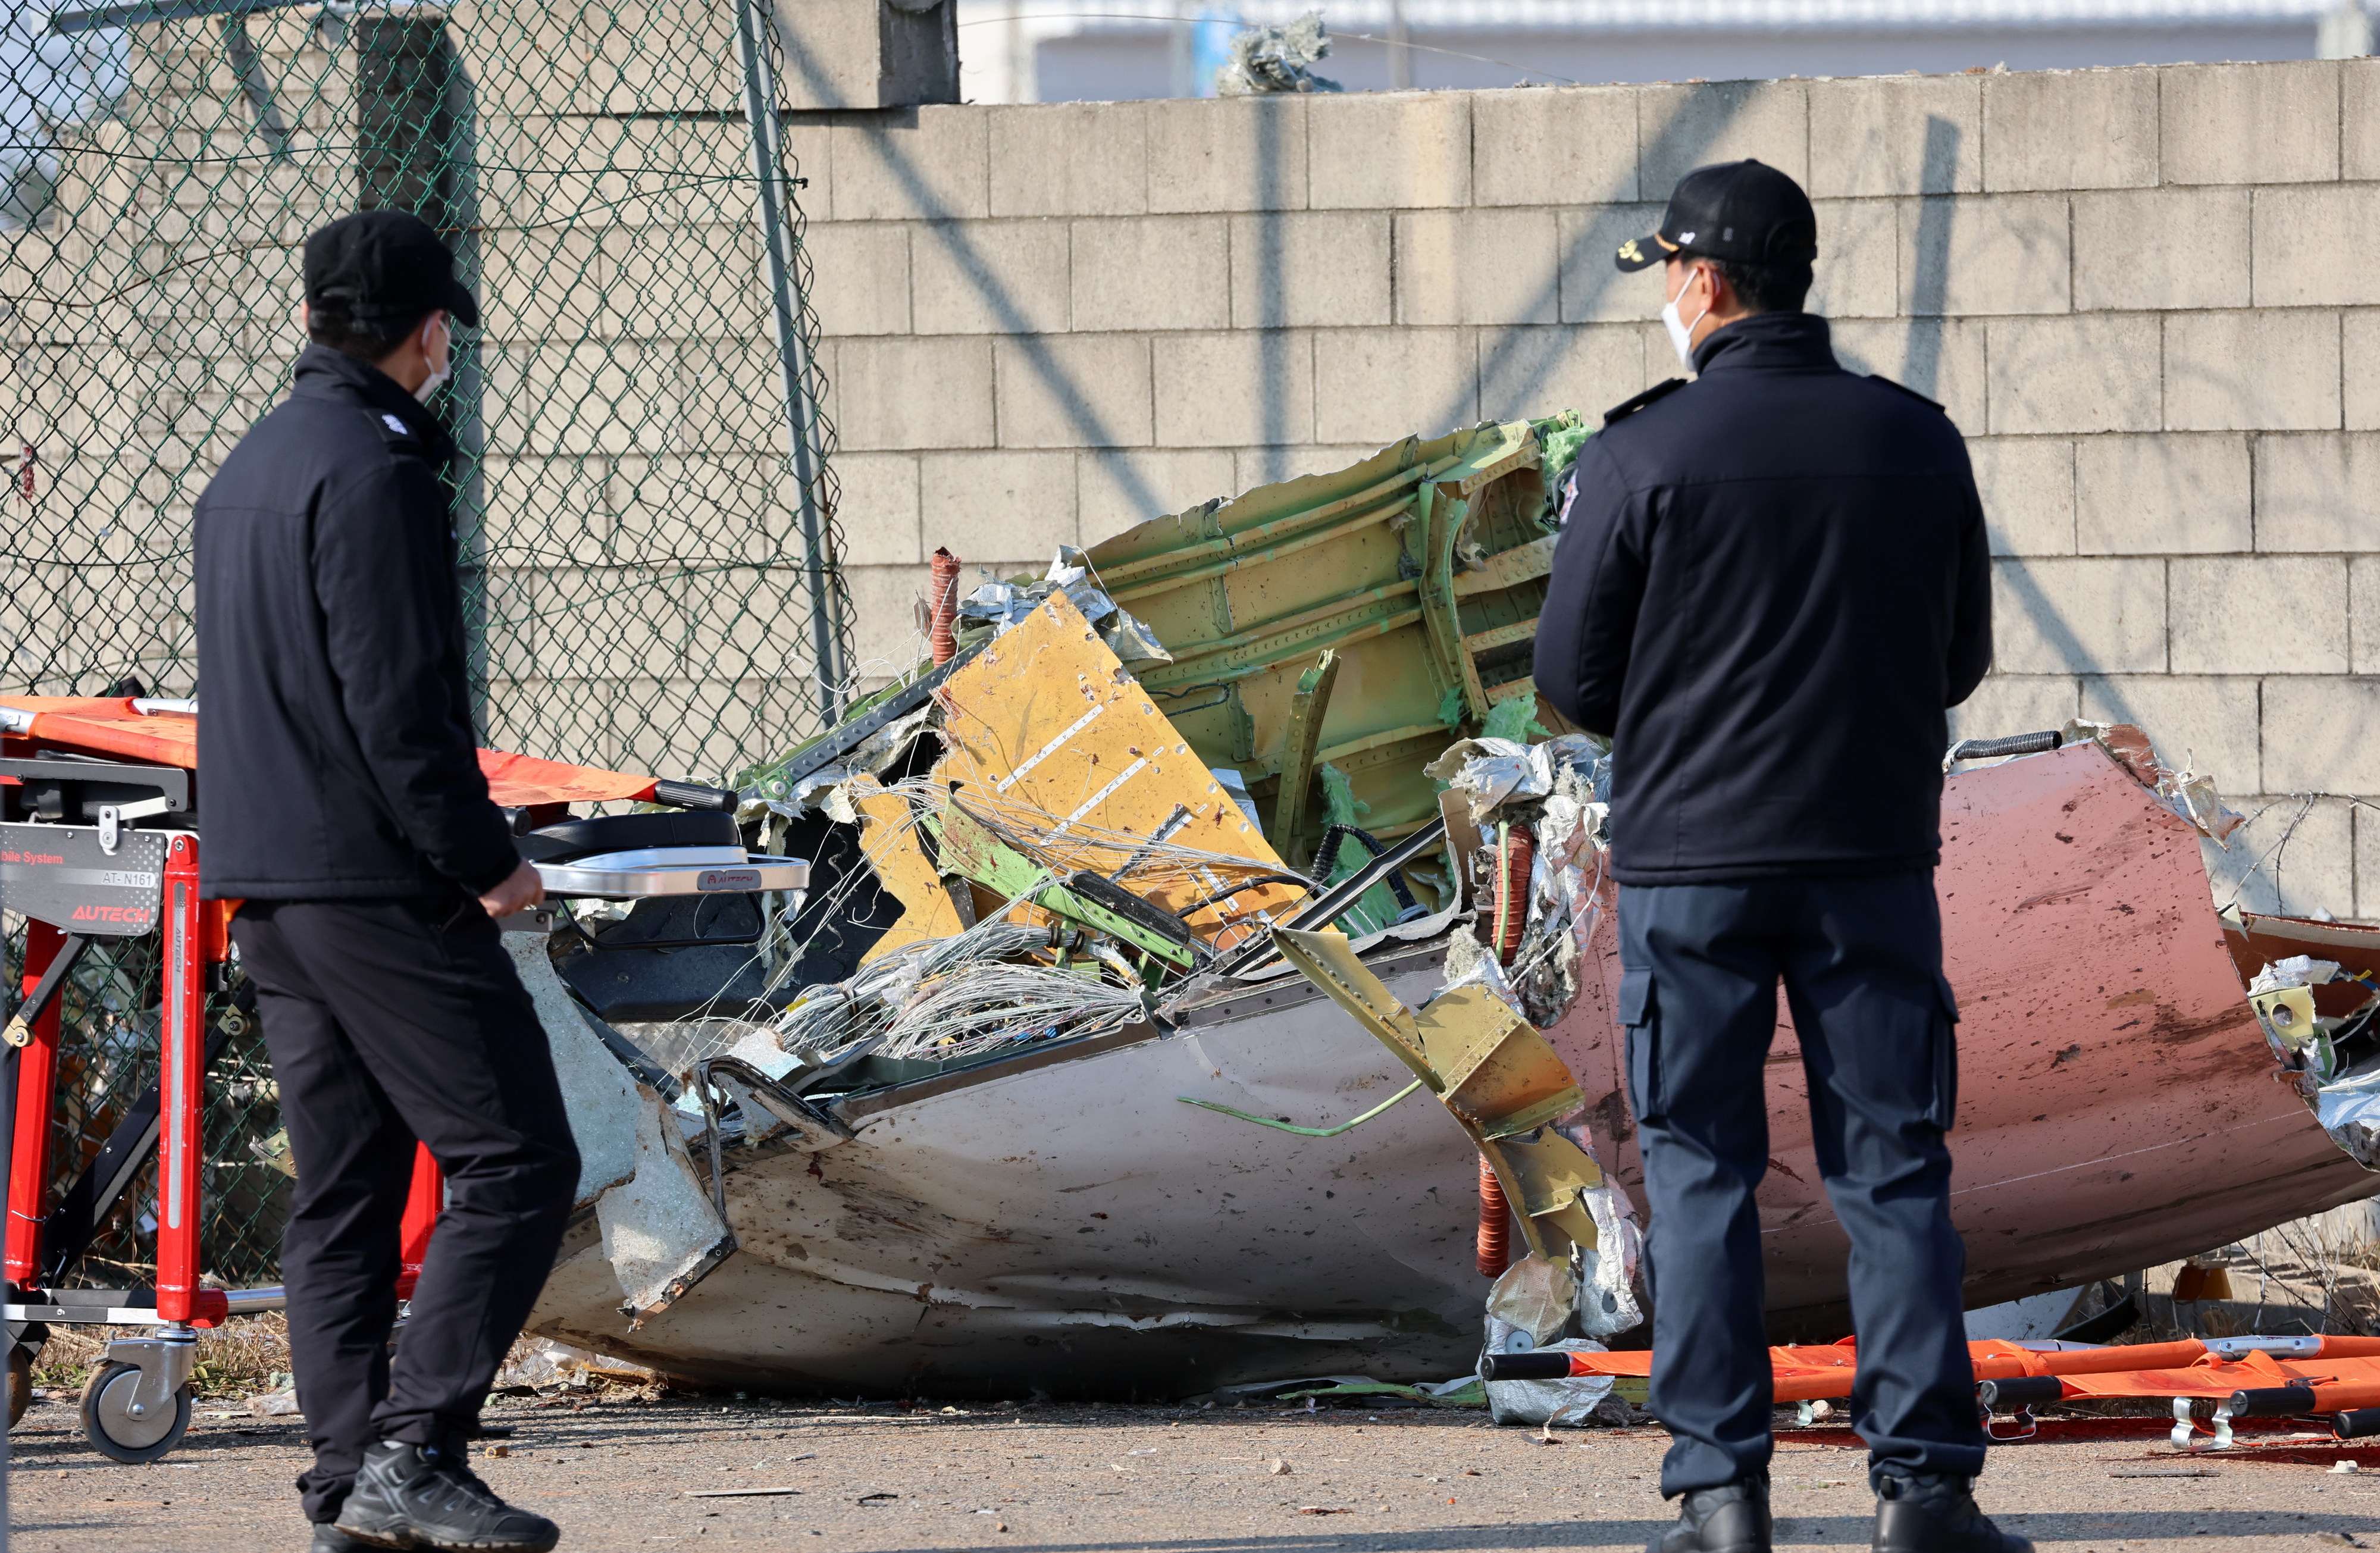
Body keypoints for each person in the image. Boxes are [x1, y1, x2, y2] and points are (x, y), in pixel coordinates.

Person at [1533, 161, 2018, 1553]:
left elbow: (1571, 678)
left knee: (1695, 1169)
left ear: (1701, 282)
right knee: (1893, 1170)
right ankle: (1922, 1495)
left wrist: (1683, 713)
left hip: (1692, 868)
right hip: (1868, 858)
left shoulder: (1635, 455)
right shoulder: (1915, 441)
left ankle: (1718, 1495)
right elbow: (1959, 661)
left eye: (1666, 276)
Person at [194, 209, 579, 1553]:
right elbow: (399, 708)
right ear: (429, 332)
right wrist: (491, 863)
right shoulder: (378, 470)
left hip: (269, 882)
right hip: (373, 878)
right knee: (519, 1157)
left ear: (311, 319)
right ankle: (414, 1453)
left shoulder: (252, 463)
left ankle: (346, 1491)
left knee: (344, 1191)